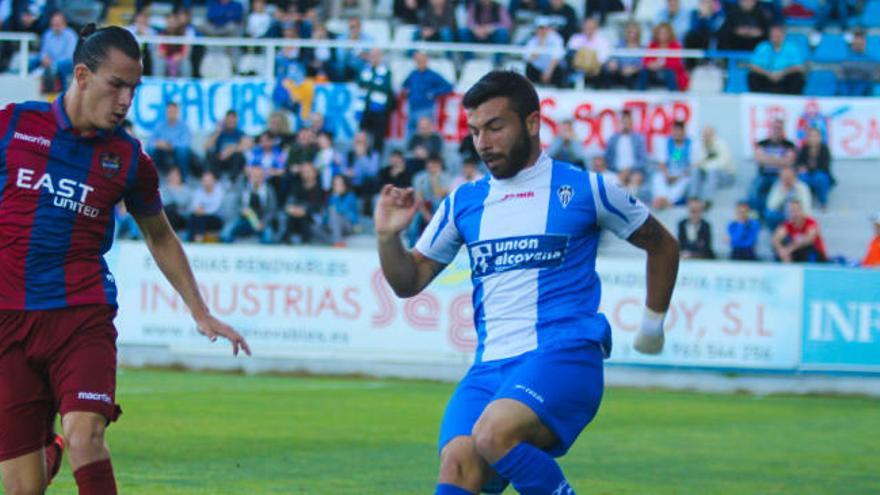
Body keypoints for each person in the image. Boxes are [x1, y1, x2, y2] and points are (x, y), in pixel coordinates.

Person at [374, 71, 679, 495]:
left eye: (495, 127)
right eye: (476, 131)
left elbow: (663, 245)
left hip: (565, 354)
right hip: (491, 367)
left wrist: (652, 324)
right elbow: (408, 281)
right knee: (458, 463)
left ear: (532, 122)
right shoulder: (463, 202)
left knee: (493, 433)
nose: (483, 143)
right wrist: (388, 237)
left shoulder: (587, 189)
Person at [0, 25, 249, 495]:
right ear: (82, 75)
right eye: (117, 85)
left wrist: (201, 311)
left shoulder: (129, 159)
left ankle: (64, 446)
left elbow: (161, 236)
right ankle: (48, 452)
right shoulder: (13, 126)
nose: (125, 101)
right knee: (22, 489)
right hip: (8, 321)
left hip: (81, 317)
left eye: (134, 89)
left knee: (86, 437)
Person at [749, 118, 796, 215]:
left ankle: (768, 214)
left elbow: (788, 162)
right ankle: (757, 215)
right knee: (753, 192)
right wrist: (779, 160)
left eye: (779, 128)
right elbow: (760, 160)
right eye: (775, 128)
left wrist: (768, 158)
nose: (777, 130)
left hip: (780, 177)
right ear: (771, 129)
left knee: (775, 196)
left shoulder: (789, 145)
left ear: (783, 130)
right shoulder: (762, 143)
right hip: (763, 175)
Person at [401, 52, 453, 138]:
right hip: (412, 109)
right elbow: (404, 85)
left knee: (424, 134)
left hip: (426, 109)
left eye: (422, 60)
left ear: (426, 61)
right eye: (418, 60)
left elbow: (449, 87)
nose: (420, 62)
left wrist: (433, 93)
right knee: (410, 134)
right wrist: (408, 92)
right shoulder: (413, 74)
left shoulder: (432, 75)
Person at [221, 166, 278, 244]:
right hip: (243, 219)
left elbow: (271, 210)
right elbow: (236, 205)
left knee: (268, 238)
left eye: (259, 176)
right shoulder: (243, 188)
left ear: (263, 178)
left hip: (261, 221)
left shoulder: (269, 190)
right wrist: (242, 210)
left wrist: (264, 222)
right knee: (225, 234)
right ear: (250, 177)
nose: (257, 179)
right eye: (254, 176)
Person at [746, 25, 806, 95]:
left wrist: (782, 73)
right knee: (753, 76)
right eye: (773, 36)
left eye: (778, 36)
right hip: (766, 76)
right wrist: (768, 74)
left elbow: (799, 66)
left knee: (797, 77)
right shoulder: (762, 47)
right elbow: (753, 65)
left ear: (783, 36)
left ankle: (792, 100)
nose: (776, 38)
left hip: (785, 77)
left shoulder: (792, 48)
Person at [357, 48, 395, 153]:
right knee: (363, 135)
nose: (374, 58)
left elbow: (386, 88)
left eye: (376, 55)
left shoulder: (386, 71)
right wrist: (374, 85)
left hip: (379, 110)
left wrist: (370, 85)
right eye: (372, 55)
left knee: (378, 138)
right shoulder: (364, 70)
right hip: (365, 108)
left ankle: (375, 160)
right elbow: (360, 83)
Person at [689, 125, 734, 207]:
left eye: (709, 134)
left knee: (713, 171)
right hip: (708, 175)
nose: (707, 137)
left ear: (714, 135)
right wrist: (703, 163)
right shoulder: (699, 146)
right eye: (705, 135)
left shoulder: (721, 144)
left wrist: (705, 165)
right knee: (696, 170)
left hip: (726, 176)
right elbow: (696, 163)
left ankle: (708, 201)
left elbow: (723, 163)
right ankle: (693, 198)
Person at [652, 120, 692, 209]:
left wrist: (678, 177)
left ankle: (669, 202)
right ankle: (661, 199)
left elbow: (692, 166)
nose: (676, 133)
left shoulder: (690, 144)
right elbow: (661, 163)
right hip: (668, 173)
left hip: (683, 175)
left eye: (679, 130)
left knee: (685, 181)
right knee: (657, 177)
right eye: (675, 130)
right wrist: (667, 175)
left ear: (684, 132)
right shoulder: (666, 142)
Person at [605, 109, 648, 192]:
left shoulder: (639, 139)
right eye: (624, 122)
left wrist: (628, 170)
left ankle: (630, 202)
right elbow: (608, 159)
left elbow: (643, 160)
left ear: (632, 123)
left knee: (636, 179)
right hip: (616, 171)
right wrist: (619, 172)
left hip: (634, 171)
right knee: (612, 179)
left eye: (628, 122)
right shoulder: (613, 139)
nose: (626, 125)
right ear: (620, 123)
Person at [772, 199, 827, 263]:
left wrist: (789, 249)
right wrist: (781, 250)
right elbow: (775, 239)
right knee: (781, 248)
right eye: (791, 211)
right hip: (798, 252)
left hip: (816, 254)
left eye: (796, 211)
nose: (794, 214)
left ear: (801, 211)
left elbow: (809, 239)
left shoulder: (810, 222)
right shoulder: (788, 225)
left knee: (805, 248)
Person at [148, 101, 194, 178]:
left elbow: (185, 143)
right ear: (166, 112)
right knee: (150, 150)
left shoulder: (184, 126)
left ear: (177, 112)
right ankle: (154, 178)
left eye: (173, 111)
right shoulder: (160, 126)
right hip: (162, 152)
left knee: (183, 151)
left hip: (176, 153)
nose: (171, 113)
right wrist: (158, 144)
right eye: (169, 111)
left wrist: (169, 144)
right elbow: (150, 142)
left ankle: (183, 178)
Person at [639, 23, 689, 91]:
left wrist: (662, 64)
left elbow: (676, 63)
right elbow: (646, 61)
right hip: (655, 73)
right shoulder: (652, 45)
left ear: (670, 34)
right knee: (644, 71)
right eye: (660, 33)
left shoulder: (675, 45)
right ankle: (640, 96)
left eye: (665, 33)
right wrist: (650, 65)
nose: (662, 35)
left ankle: (673, 96)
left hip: (670, 74)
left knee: (669, 72)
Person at [36, 12, 77, 92]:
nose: (56, 25)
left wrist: (53, 63)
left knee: (64, 64)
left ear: (64, 23)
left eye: (58, 23)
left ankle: (63, 91)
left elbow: (69, 55)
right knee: (32, 60)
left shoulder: (71, 35)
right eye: (54, 23)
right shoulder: (47, 34)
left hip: (65, 63)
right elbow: (44, 51)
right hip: (49, 62)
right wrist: (44, 58)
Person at [795, 127, 834, 210]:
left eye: (815, 136)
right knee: (801, 178)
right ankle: (804, 202)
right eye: (811, 136)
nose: (813, 138)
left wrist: (808, 168)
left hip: (820, 174)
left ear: (820, 137)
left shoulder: (824, 149)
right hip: (808, 175)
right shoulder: (804, 149)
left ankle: (823, 202)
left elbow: (824, 166)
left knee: (820, 177)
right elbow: (799, 163)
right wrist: (802, 168)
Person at [566, 17, 611, 87]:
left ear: (596, 28)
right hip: (577, 68)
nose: (589, 30)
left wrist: (589, 59)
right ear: (582, 27)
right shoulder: (575, 38)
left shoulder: (603, 41)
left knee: (606, 70)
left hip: (595, 70)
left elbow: (602, 58)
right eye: (587, 27)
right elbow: (571, 55)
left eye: (591, 28)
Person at [204, 110, 248, 181]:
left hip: (233, 160)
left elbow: (246, 146)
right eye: (229, 119)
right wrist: (218, 131)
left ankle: (233, 180)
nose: (231, 122)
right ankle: (215, 179)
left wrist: (231, 150)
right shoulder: (219, 133)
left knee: (238, 156)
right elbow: (206, 146)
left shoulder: (239, 133)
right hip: (219, 159)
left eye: (233, 119)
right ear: (225, 120)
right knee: (210, 155)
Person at [765, 165, 812, 230]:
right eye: (784, 178)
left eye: (789, 177)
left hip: (797, 216)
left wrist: (798, 215)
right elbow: (771, 206)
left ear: (794, 177)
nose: (786, 180)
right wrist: (783, 194)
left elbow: (806, 207)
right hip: (782, 216)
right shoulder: (777, 186)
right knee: (769, 214)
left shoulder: (802, 188)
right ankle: (775, 235)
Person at [524, 17, 567, 88]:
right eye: (540, 28)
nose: (542, 30)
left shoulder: (556, 39)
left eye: (544, 28)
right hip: (538, 69)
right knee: (529, 68)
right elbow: (528, 59)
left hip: (552, 69)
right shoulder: (532, 41)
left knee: (560, 70)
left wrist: (548, 72)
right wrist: (540, 45)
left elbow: (557, 57)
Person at [599, 21, 642, 90]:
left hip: (633, 73)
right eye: (629, 32)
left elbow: (642, 63)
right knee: (607, 71)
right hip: (619, 71)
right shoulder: (619, 45)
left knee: (634, 76)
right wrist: (613, 63)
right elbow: (612, 58)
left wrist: (633, 69)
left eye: (633, 33)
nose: (631, 35)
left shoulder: (641, 48)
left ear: (638, 34)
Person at [187, 170, 227, 242]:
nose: (207, 182)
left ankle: (197, 240)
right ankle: (195, 239)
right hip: (201, 218)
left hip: (216, 219)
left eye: (209, 180)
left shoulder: (219, 191)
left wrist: (202, 211)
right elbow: (194, 206)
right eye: (205, 180)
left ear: (214, 181)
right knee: (193, 217)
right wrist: (199, 211)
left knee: (200, 218)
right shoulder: (198, 192)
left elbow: (215, 209)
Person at [839, 30, 878, 97]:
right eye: (856, 44)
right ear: (852, 45)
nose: (858, 46)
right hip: (848, 86)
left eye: (860, 44)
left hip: (865, 86)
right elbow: (841, 75)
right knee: (842, 85)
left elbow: (874, 76)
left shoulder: (871, 60)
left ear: (864, 44)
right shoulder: (845, 59)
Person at [326, 175, 360, 246]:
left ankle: (337, 241)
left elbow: (344, 211)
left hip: (349, 225)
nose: (337, 186)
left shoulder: (351, 196)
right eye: (335, 184)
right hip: (333, 225)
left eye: (340, 184)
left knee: (334, 212)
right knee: (315, 227)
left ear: (345, 185)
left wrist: (336, 197)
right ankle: (334, 240)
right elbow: (327, 214)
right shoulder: (331, 197)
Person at [159, 167, 192, 233]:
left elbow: (184, 203)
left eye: (176, 175)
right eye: (171, 175)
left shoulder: (186, 189)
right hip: (166, 215)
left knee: (172, 207)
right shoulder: (163, 189)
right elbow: (161, 203)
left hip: (181, 216)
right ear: (168, 177)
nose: (173, 177)